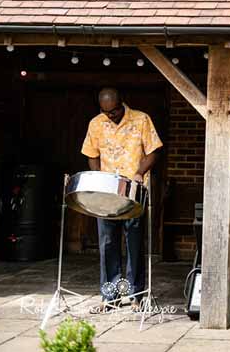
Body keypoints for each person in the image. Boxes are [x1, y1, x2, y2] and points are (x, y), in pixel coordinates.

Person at [81, 88, 162, 310]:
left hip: (133, 191)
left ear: (122, 103)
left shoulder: (141, 119)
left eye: (115, 111)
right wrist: (98, 178)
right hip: (107, 193)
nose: (111, 115)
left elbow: (153, 151)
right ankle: (110, 297)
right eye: (107, 112)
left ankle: (136, 294)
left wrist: (139, 172)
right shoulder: (96, 123)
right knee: (107, 244)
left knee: (134, 242)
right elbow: (92, 155)